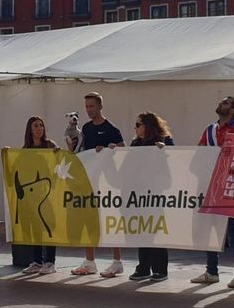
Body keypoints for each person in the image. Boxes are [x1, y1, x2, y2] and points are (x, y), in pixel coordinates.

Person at [71, 92, 126, 278]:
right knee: (90, 220)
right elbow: (81, 152)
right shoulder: (85, 128)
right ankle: (90, 262)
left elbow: (124, 151)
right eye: (86, 106)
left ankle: (117, 262)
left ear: (100, 106)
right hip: (90, 181)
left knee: (110, 220)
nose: (88, 110)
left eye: (91, 106)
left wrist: (111, 150)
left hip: (109, 183)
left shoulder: (111, 128)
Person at [191, 96, 234, 287]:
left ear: (233, 110)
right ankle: (211, 271)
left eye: (226, 102)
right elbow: (199, 154)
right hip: (211, 186)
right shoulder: (210, 130)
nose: (221, 103)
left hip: (230, 188)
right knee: (210, 229)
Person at [127, 112, 174, 282]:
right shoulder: (136, 143)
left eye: (138, 124)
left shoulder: (164, 140)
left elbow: (176, 160)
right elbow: (129, 163)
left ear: (148, 125)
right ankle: (143, 268)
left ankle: (160, 269)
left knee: (155, 229)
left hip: (156, 192)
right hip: (140, 192)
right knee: (142, 229)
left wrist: (164, 151)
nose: (136, 128)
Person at [20, 116, 59, 275]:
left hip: (48, 192)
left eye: (41, 125)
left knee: (48, 225)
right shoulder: (25, 150)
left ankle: (50, 261)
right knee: (36, 227)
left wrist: (58, 153)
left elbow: (59, 162)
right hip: (33, 195)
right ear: (30, 129)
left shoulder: (50, 145)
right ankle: (37, 260)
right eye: (36, 126)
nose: (39, 128)